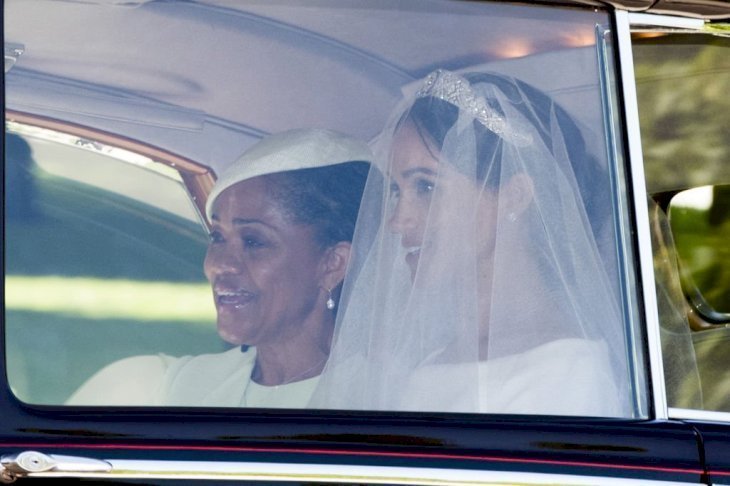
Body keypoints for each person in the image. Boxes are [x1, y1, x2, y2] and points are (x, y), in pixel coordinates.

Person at [311, 69, 633, 416]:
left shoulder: (569, 369)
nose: (396, 221)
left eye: (426, 187)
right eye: (395, 190)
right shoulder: (427, 359)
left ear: (515, 196)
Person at [67, 128, 375, 407]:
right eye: (217, 237)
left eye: (253, 242)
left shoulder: (383, 398)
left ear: (332, 264)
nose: (218, 265)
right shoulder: (165, 388)